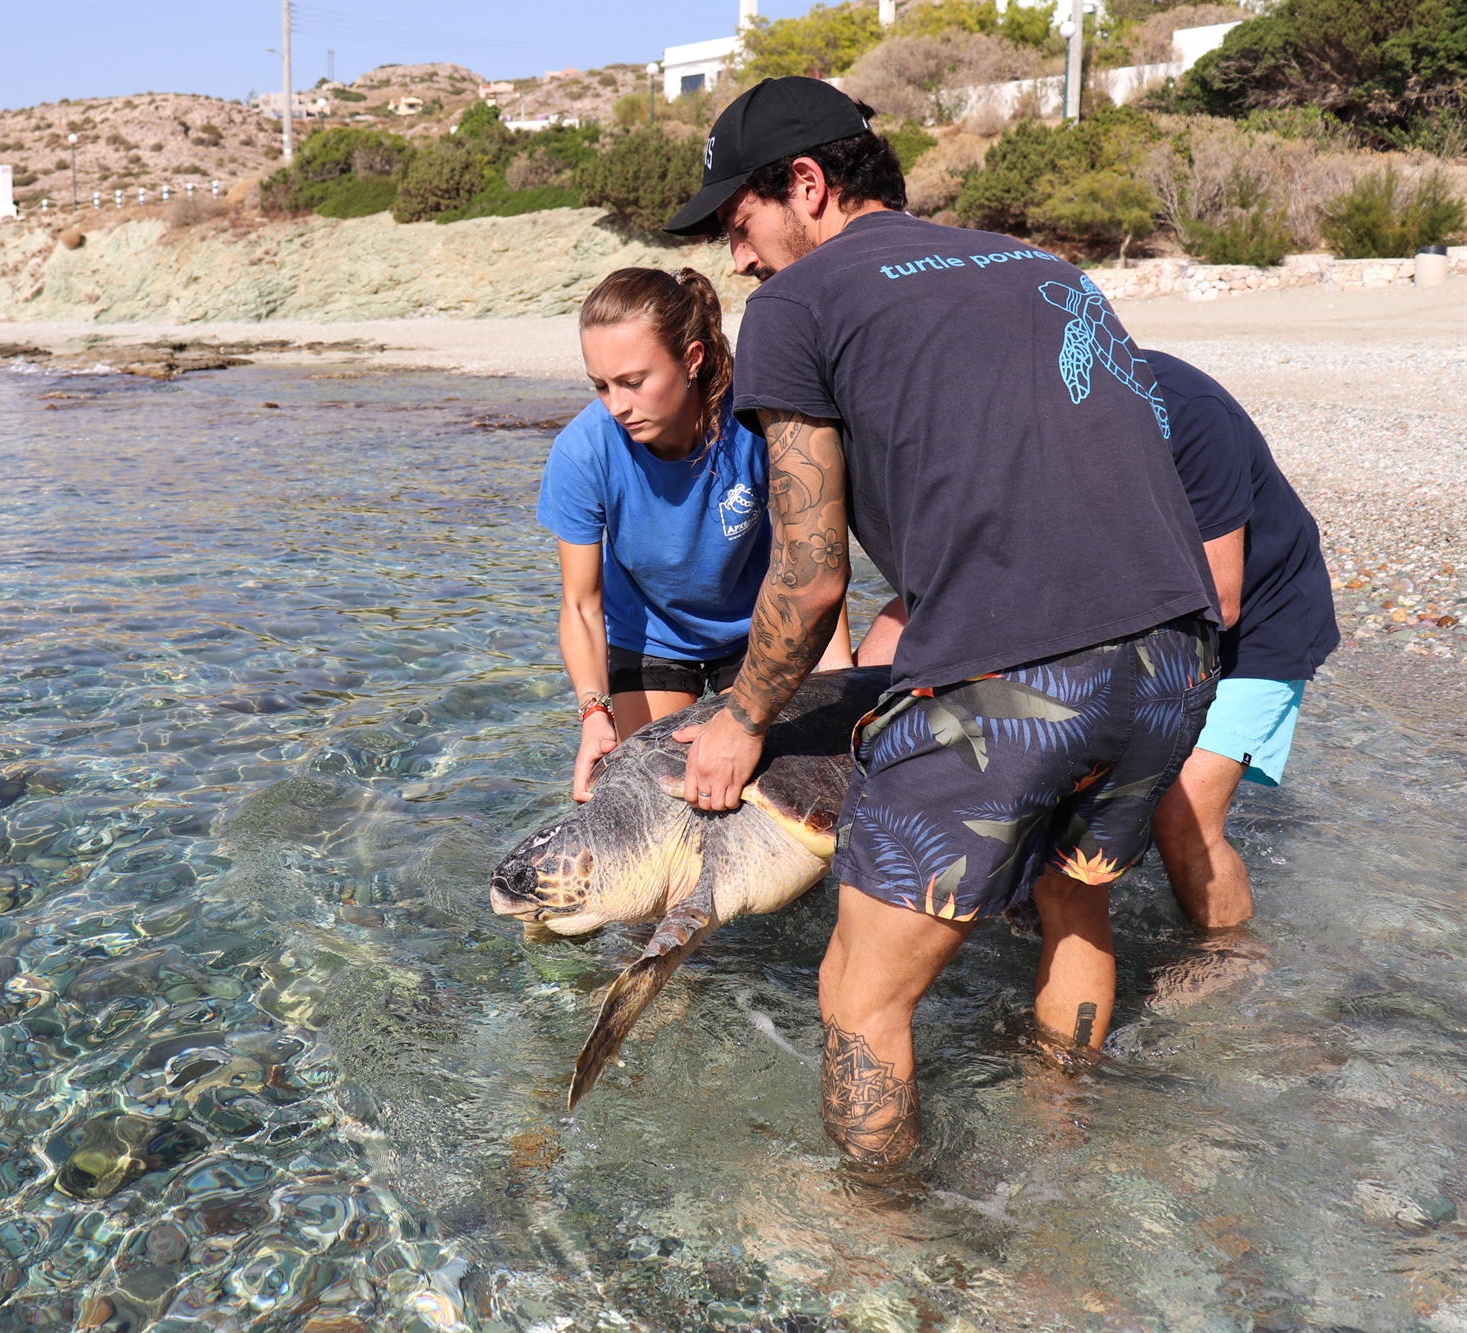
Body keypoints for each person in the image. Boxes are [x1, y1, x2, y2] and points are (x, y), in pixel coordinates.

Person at [661, 78, 1221, 1168]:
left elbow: (810, 570)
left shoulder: (797, 303)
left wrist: (739, 717)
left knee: (858, 995)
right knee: (1073, 912)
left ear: (806, 187)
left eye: (741, 224)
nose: (739, 260)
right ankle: (1064, 1163)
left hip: (1015, 684)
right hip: (1173, 655)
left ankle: (873, 1245)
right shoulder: (1038, 265)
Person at [859, 351, 1340, 931]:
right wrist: (869, 699)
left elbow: (1222, 596)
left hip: (1257, 621)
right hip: (1129, 607)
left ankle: (1227, 963)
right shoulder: (1015, 418)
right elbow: (951, 582)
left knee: (1183, 818)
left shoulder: (1189, 412)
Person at [537, 266, 851, 804]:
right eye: (601, 386)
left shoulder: (757, 425)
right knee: (652, 795)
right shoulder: (582, 452)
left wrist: (836, 675)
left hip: (760, 632)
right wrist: (594, 712)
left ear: (692, 359)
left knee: (757, 794)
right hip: (650, 639)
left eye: (634, 382)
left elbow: (810, 551)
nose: (616, 407)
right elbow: (582, 604)